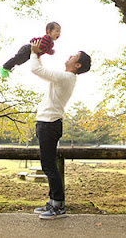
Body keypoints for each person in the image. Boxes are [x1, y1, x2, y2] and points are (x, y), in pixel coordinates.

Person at [29, 39, 91, 220]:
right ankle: (53, 202)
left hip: (49, 124)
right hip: (47, 123)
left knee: (49, 166)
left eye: (74, 57)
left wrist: (34, 53)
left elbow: (36, 70)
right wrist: (38, 55)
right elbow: (42, 72)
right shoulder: (65, 77)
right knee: (48, 165)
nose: (69, 57)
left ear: (77, 64)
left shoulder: (66, 77)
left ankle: (58, 206)